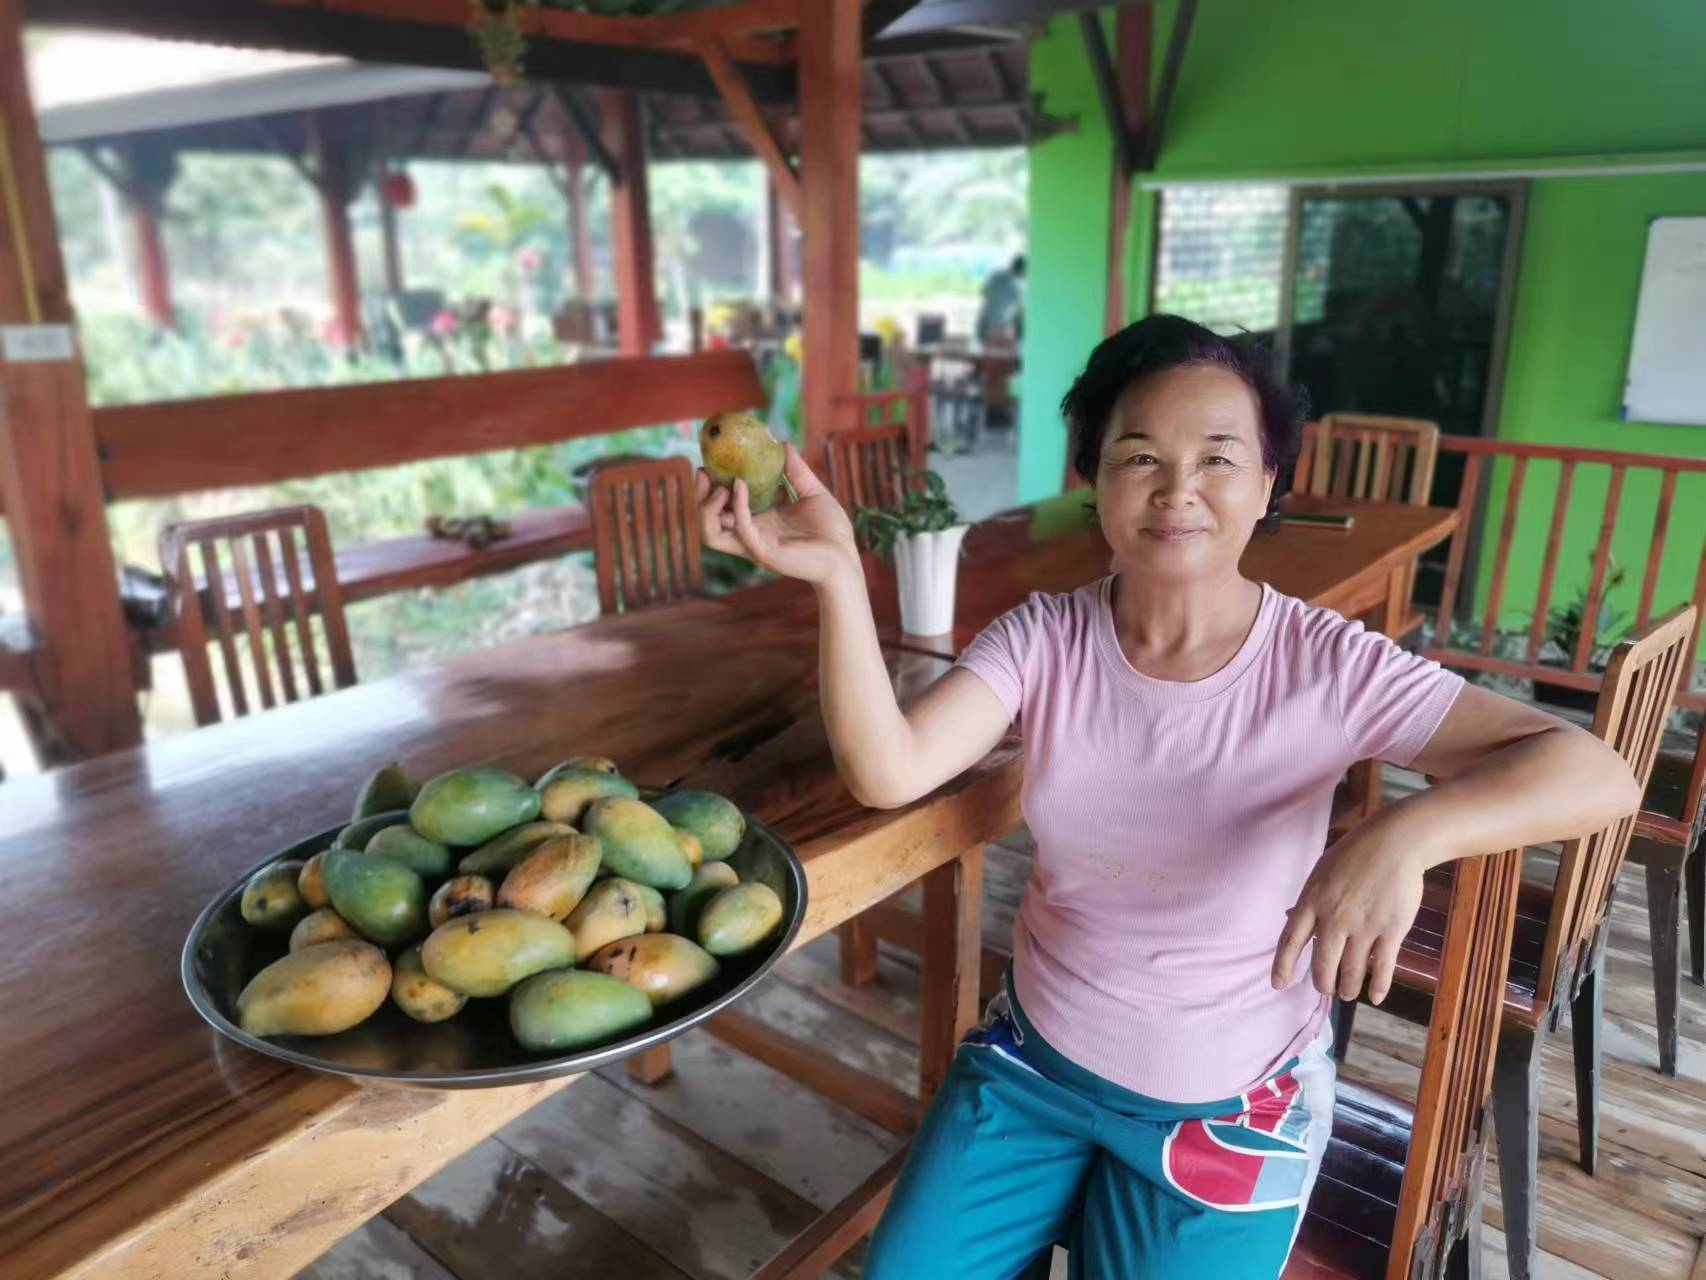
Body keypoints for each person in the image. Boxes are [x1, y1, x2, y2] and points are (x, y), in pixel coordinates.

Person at [696, 314, 1639, 1278]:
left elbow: (1598, 773)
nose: (1177, 488)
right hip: (1034, 1061)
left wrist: (1408, 833)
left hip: (1228, 1106)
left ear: (1267, 483)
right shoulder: (1045, 638)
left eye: (1219, 458)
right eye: (1139, 455)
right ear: (1095, 478)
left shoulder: (1325, 664)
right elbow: (889, 769)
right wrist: (836, 576)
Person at [977, 253, 1026, 345]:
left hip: (983, 326)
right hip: (1000, 330)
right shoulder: (1017, 287)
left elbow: (983, 292)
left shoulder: (995, 275)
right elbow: (1019, 315)